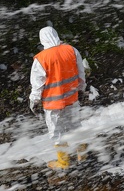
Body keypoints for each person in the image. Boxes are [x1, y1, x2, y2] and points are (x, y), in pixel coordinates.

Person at [29, 26, 87, 170]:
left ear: (42, 39)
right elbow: (81, 73)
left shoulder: (41, 58)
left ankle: (64, 162)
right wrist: (81, 89)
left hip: (53, 103)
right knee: (75, 125)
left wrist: (34, 100)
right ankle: (83, 154)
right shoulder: (71, 50)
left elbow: (37, 85)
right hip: (71, 98)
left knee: (56, 132)